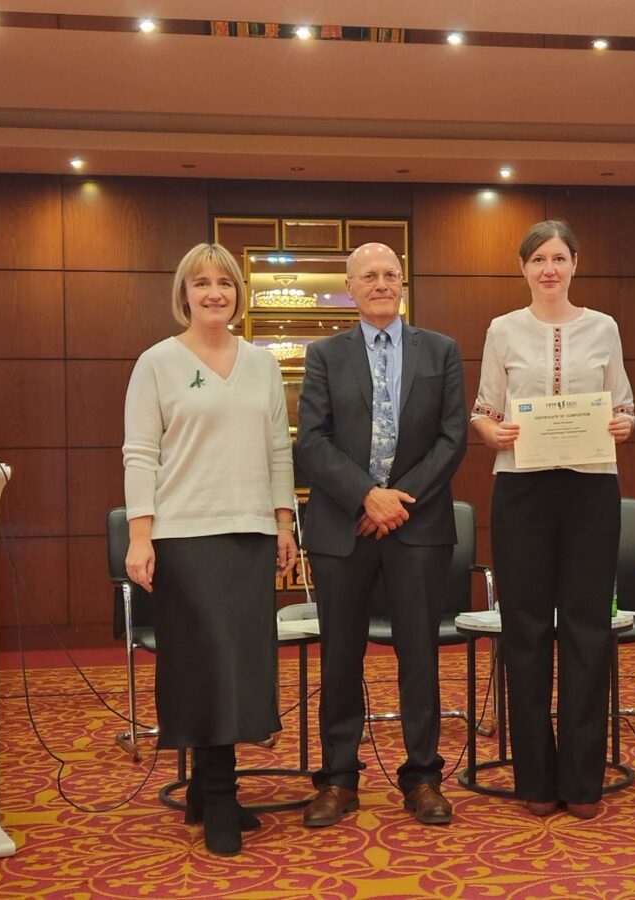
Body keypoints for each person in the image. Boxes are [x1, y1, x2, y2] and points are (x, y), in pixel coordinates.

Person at [123, 242, 298, 856]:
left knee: (242, 664)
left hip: (249, 532)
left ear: (238, 294)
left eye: (225, 283)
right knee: (203, 664)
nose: (214, 293)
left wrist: (284, 524)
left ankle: (203, 790)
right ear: (185, 294)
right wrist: (139, 535)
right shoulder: (157, 363)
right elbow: (141, 452)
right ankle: (221, 798)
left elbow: (280, 449)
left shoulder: (263, 364)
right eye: (202, 283)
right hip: (184, 535)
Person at [295, 242, 467, 827]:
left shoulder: (440, 351)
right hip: (342, 528)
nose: (381, 283)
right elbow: (311, 441)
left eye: (391, 274)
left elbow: (452, 441)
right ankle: (338, 780)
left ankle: (422, 778)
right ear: (349, 286)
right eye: (368, 275)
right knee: (340, 657)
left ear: (403, 283)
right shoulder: (324, 354)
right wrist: (365, 495)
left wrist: (395, 502)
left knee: (418, 655)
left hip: (417, 528)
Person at [471, 220, 635, 820]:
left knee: (589, 631)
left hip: (591, 488)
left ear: (574, 264)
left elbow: (624, 403)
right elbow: (483, 411)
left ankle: (584, 779)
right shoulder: (502, 330)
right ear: (523, 268)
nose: (549, 268)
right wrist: (496, 431)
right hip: (522, 490)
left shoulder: (604, 328)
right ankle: (536, 778)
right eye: (538, 258)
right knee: (528, 631)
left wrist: (622, 423)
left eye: (559, 257)